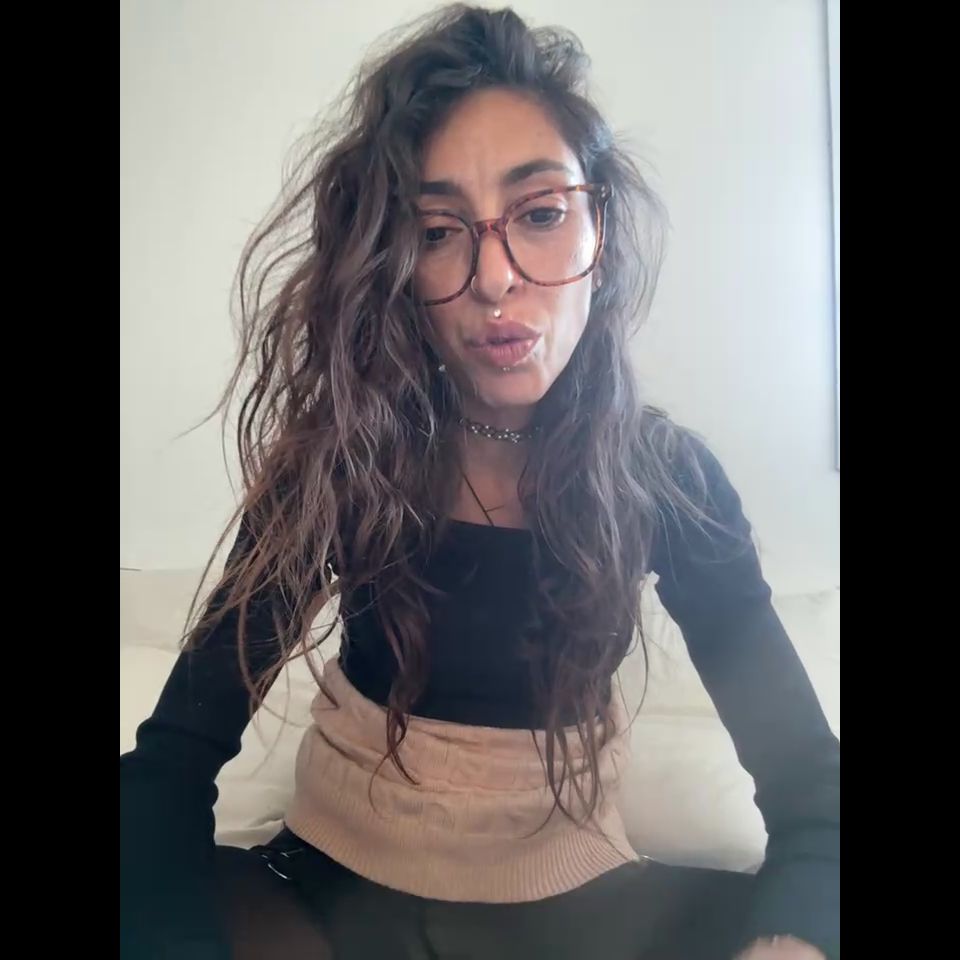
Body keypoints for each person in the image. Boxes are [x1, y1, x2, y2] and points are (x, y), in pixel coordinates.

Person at [119, 6, 839, 959]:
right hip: (321, 899)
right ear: (395, 264)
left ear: (600, 229)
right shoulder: (340, 458)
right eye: (437, 230)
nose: (494, 278)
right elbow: (167, 769)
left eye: (540, 214)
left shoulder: (669, 480)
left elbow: (814, 800)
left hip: (579, 913)